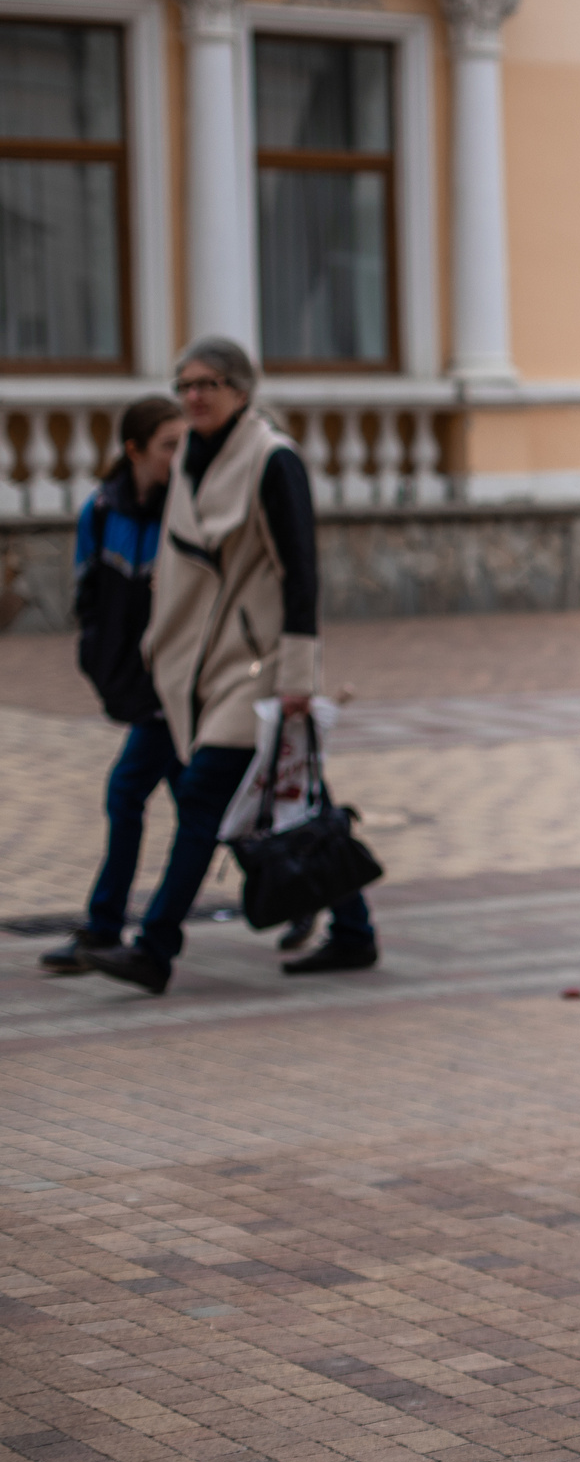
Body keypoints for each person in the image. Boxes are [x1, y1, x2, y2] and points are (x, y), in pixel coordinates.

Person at [84, 339, 378, 994]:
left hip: (258, 665)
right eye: (185, 384)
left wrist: (298, 675)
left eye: (208, 384)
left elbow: (301, 573)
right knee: (299, 800)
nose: (194, 396)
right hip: (201, 661)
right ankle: (355, 929)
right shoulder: (190, 455)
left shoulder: (273, 460)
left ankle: (155, 947)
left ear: (241, 389)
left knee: (202, 799)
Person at [42, 397, 186, 974]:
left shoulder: (189, 511)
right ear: (134, 451)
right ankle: (319, 898)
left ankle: (105, 927)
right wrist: (98, 661)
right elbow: (88, 597)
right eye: (169, 446)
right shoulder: (102, 512)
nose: (181, 457)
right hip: (138, 684)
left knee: (132, 794)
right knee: (210, 809)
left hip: (177, 687)